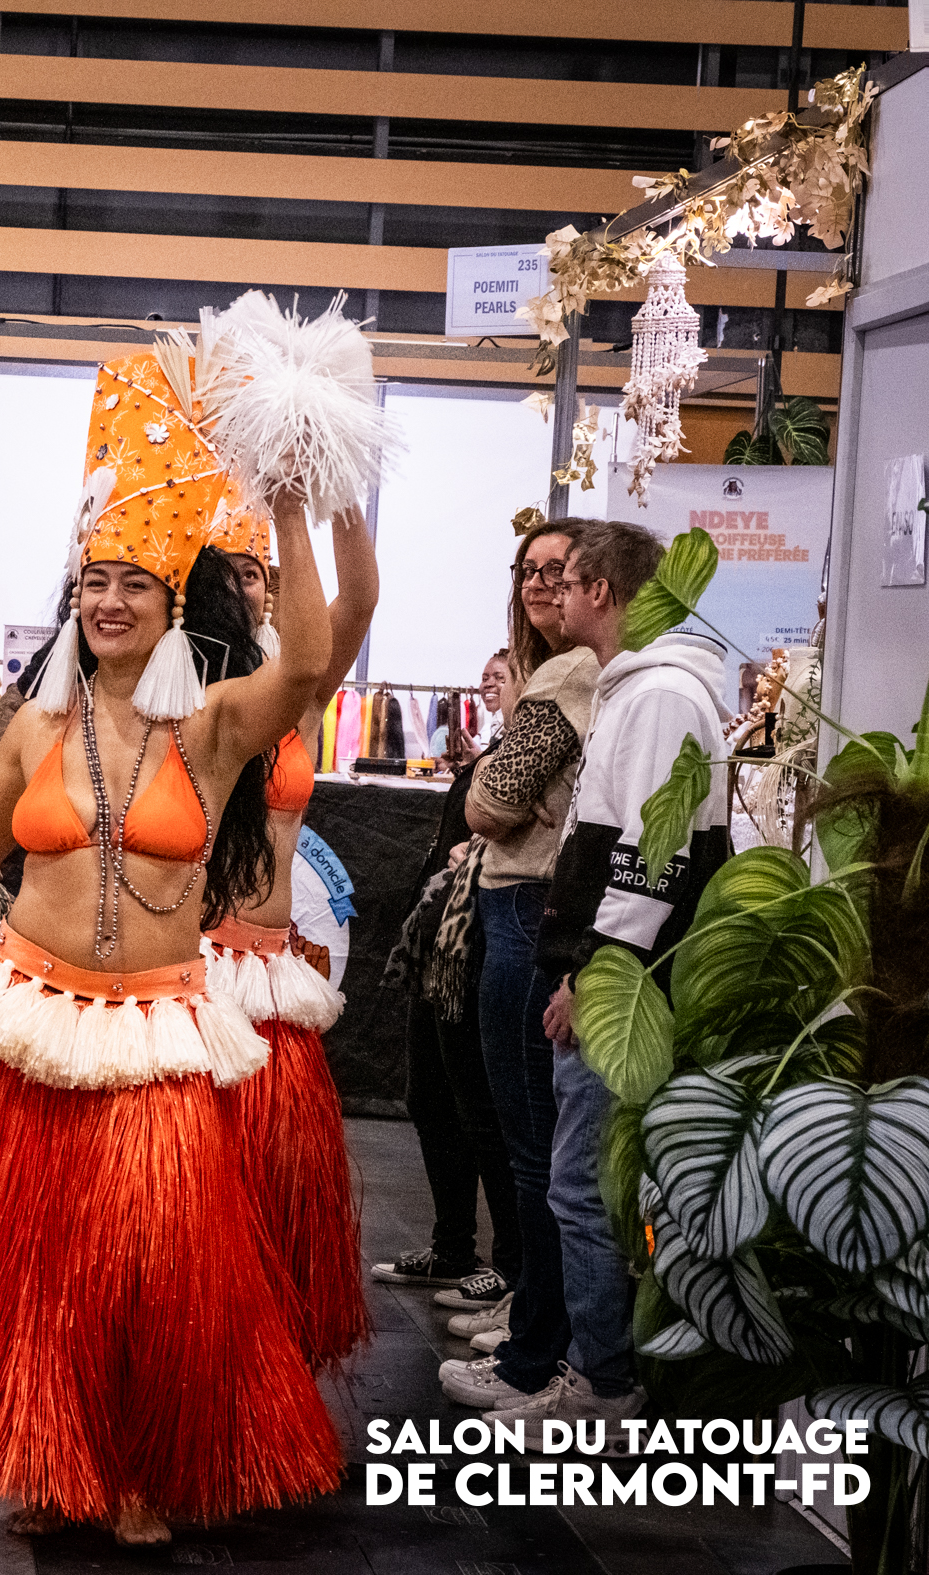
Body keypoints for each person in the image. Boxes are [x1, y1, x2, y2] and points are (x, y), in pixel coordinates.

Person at [0, 317, 379, 1548]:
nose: (107, 601)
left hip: (154, 1026)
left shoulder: (213, 728)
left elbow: (310, 657)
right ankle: (56, 1464)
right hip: (24, 1020)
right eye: (93, 583)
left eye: (132, 586)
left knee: (158, 1270)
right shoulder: (35, 728)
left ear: (168, 601)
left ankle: (143, 1466)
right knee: (31, 1267)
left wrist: (290, 503)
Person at [500, 520, 727, 1427]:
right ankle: (599, 1373)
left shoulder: (659, 695)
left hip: (625, 988)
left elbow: (647, 861)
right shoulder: (642, 688)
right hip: (616, 976)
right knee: (586, 1184)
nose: (554, 597)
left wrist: (594, 978)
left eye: (567, 583)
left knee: (583, 1188)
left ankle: (602, 1386)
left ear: (600, 590)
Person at [199, 501, 378, 1371]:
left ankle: (264, 1370)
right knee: (198, 1202)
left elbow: (360, 599)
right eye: (229, 573)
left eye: (258, 572)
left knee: (279, 1191)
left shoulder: (298, 694)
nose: (247, 586)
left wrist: (319, 491)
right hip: (191, 975)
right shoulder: (178, 699)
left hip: (269, 977)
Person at [436, 519, 600, 1411]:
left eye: (559, 572)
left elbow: (487, 804)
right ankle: (534, 1320)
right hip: (522, 908)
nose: (542, 585)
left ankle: (536, 1353)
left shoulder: (569, 675)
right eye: (529, 571)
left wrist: (494, 783)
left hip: (528, 909)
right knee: (529, 1141)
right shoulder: (552, 676)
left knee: (535, 1148)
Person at [379, 646, 521, 1336]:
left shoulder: (538, 744)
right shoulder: (500, 747)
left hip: (480, 941)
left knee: (482, 1113)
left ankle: (509, 1269)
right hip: (443, 938)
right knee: (433, 1099)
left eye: (504, 675)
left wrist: (480, 852)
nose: (491, 685)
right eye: (488, 676)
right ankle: (454, 1248)